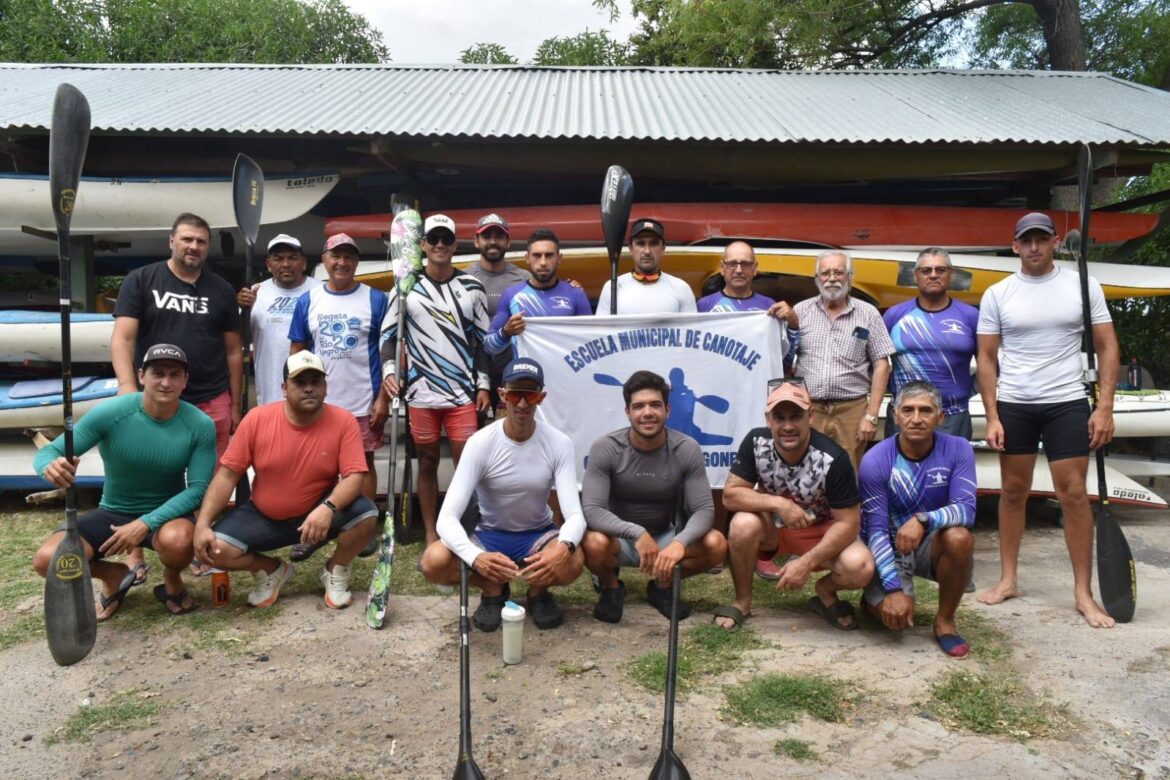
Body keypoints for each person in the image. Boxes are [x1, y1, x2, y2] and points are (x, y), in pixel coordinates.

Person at [975, 212, 1120, 628]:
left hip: (1066, 401)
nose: (1034, 247)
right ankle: (1008, 580)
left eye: (1042, 239)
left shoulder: (1082, 285)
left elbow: (1108, 347)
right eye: (1026, 240)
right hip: (1016, 402)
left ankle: (1083, 593)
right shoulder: (999, 293)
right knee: (1013, 491)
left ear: (1056, 242)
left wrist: (1104, 407)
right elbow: (986, 358)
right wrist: (993, 415)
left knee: (1073, 493)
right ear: (1015, 245)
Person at [31, 344, 215, 618]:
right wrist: (50, 466)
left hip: (167, 516)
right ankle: (113, 574)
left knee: (178, 541)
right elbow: (50, 451)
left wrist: (145, 523)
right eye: (158, 373)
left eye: (175, 374)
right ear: (141, 375)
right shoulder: (112, 412)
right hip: (113, 511)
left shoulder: (200, 424)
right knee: (48, 561)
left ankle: (173, 578)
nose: (166, 382)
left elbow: (198, 490)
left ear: (185, 380)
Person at [110, 212, 241, 577]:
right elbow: (123, 338)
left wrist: (236, 404)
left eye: (200, 241)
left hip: (211, 396)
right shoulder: (142, 280)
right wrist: (127, 389)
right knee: (140, 472)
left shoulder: (221, 290)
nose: (193, 247)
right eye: (186, 239)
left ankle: (202, 542)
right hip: (157, 398)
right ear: (171, 241)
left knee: (213, 478)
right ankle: (132, 552)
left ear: (208, 247)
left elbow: (233, 350)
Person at [193, 352, 378, 609]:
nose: (309, 388)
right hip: (264, 516)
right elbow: (227, 475)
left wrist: (328, 508)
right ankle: (272, 570)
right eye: (300, 382)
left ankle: (335, 570)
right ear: (284, 388)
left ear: (325, 387)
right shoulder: (257, 419)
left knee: (366, 515)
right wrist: (202, 523)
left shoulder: (343, 421)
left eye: (316, 381)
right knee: (215, 550)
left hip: (317, 514)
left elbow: (355, 476)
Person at [420, 358, 586, 631]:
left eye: (530, 394)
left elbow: (574, 516)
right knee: (432, 561)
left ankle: (538, 591)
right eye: (514, 394)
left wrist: (564, 547)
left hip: (537, 534)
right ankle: (492, 588)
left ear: (541, 398)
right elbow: (447, 518)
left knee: (574, 561)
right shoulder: (480, 443)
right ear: (502, 395)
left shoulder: (559, 443)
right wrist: (476, 557)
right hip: (489, 535)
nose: (522, 404)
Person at [714, 381, 874, 632]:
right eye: (779, 417)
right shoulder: (755, 442)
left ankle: (825, 590)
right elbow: (730, 496)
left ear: (810, 416)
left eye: (796, 416)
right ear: (768, 419)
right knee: (742, 524)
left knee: (860, 566)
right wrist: (779, 503)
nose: (787, 426)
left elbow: (849, 523)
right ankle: (742, 601)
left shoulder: (834, 459)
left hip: (820, 530)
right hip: (774, 530)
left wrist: (807, 563)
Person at [379, 214, 492, 545]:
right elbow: (388, 337)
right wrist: (389, 373)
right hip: (420, 393)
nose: (440, 245)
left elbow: (481, 341)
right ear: (423, 245)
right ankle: (431, 533)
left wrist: (483, 384)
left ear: (455, 245)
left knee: (467, 466)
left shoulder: (472, 287)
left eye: (447, 239)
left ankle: (465, 532)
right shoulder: (405, 286)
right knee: (426, 463)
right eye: (434, 239)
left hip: (462, 395)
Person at [581, 370, 727, 623]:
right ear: (628, 412)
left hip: (665, 536)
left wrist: (679, 543)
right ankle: (611, 586)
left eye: (655, 405)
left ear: (667, 410)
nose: (647, 412)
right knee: (593, 542)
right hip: (620, 538)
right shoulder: (606, 447)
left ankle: (662, 585)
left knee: (717, 544)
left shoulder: (686, 448)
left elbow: (704, 509)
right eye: (638, 406)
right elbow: (592, 510)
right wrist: (636, 533)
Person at [859, 381, 977, 658]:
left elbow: (967, 510)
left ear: (941, 417)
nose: (916, 419)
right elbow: (875, 532)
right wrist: (894, 589)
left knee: (959, 537)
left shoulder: (959, 449)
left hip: (927, 543)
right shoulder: (875, 460)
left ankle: (945, 622)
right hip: (888, 545)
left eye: (925, 411)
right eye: (908, 410)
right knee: (896, 623)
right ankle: (871, 600)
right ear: (895, 415)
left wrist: (923, 520)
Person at [288, 232, 388, 558]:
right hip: (319, 403)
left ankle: (365, 527)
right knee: (314, 467)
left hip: (363, 400)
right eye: (335, 256)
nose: (342, 262)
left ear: (356, 262)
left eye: (348, 256)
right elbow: (297, 351)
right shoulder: (308, 301)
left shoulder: (376, 299)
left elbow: (388, 352)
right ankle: (312, 530)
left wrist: (383, 399)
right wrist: (295, 397)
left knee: (363, 465)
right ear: (325, 261)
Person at [792, 249, 894, 472]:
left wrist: (872, 416)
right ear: (816, 278)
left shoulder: (868, 314)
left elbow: (881, 365)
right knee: (808, 472)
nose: (831, 278)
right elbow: (787, 357)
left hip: (852, 411)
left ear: (849, 277)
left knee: (848, 473)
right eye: (825, 273)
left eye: (838, 272)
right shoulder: (801, 311)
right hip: (811, 410)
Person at [882, 248, 980, 439]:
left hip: (953, 415)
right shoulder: (894, 315)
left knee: (950, 469)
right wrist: (894, 389)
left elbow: (989, 365)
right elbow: (874, 363)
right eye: (926, 270)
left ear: (951, 274)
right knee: (902, 470)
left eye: (940, 270)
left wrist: (962, 393)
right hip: (905, 416)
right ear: (916, 275)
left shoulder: (970, 316)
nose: (933, 275)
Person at [484, 228, 593, 364]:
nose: (542, 262)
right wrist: (506, 332)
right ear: (527, 258)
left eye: (549, 255)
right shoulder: (511, 295)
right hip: (526, 381)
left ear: (559, 258)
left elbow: (592, 342)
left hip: (566, 380)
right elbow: (489, 347)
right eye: (536, 255)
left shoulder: (575, 293)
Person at [237, 233, 321, 406]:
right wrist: (245, 310)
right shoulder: (255, 292)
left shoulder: (320, 291)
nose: (285, 264)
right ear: (269, 264)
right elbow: (241, 340)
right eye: (278, 258)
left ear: (304, 263)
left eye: (292, 258)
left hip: (312, 389)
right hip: (270, 392)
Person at [465, 213, 531, 416]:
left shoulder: (525, 279)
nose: (493, 241)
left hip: (512, 372)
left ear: (508, 241)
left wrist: (572, 288)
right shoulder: (464, 279)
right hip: (474, 373)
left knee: (513, 435)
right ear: (476, 241)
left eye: (499, 236)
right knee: (473, 438)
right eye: (486, 236)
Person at [595, 218, 698, 315]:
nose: (647, 251)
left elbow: (693, 331)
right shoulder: (612, 287)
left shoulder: (681, 288)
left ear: (663, 248)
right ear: (631, 248)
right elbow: (600, 332)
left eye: (654, 243)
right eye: (640, 243)